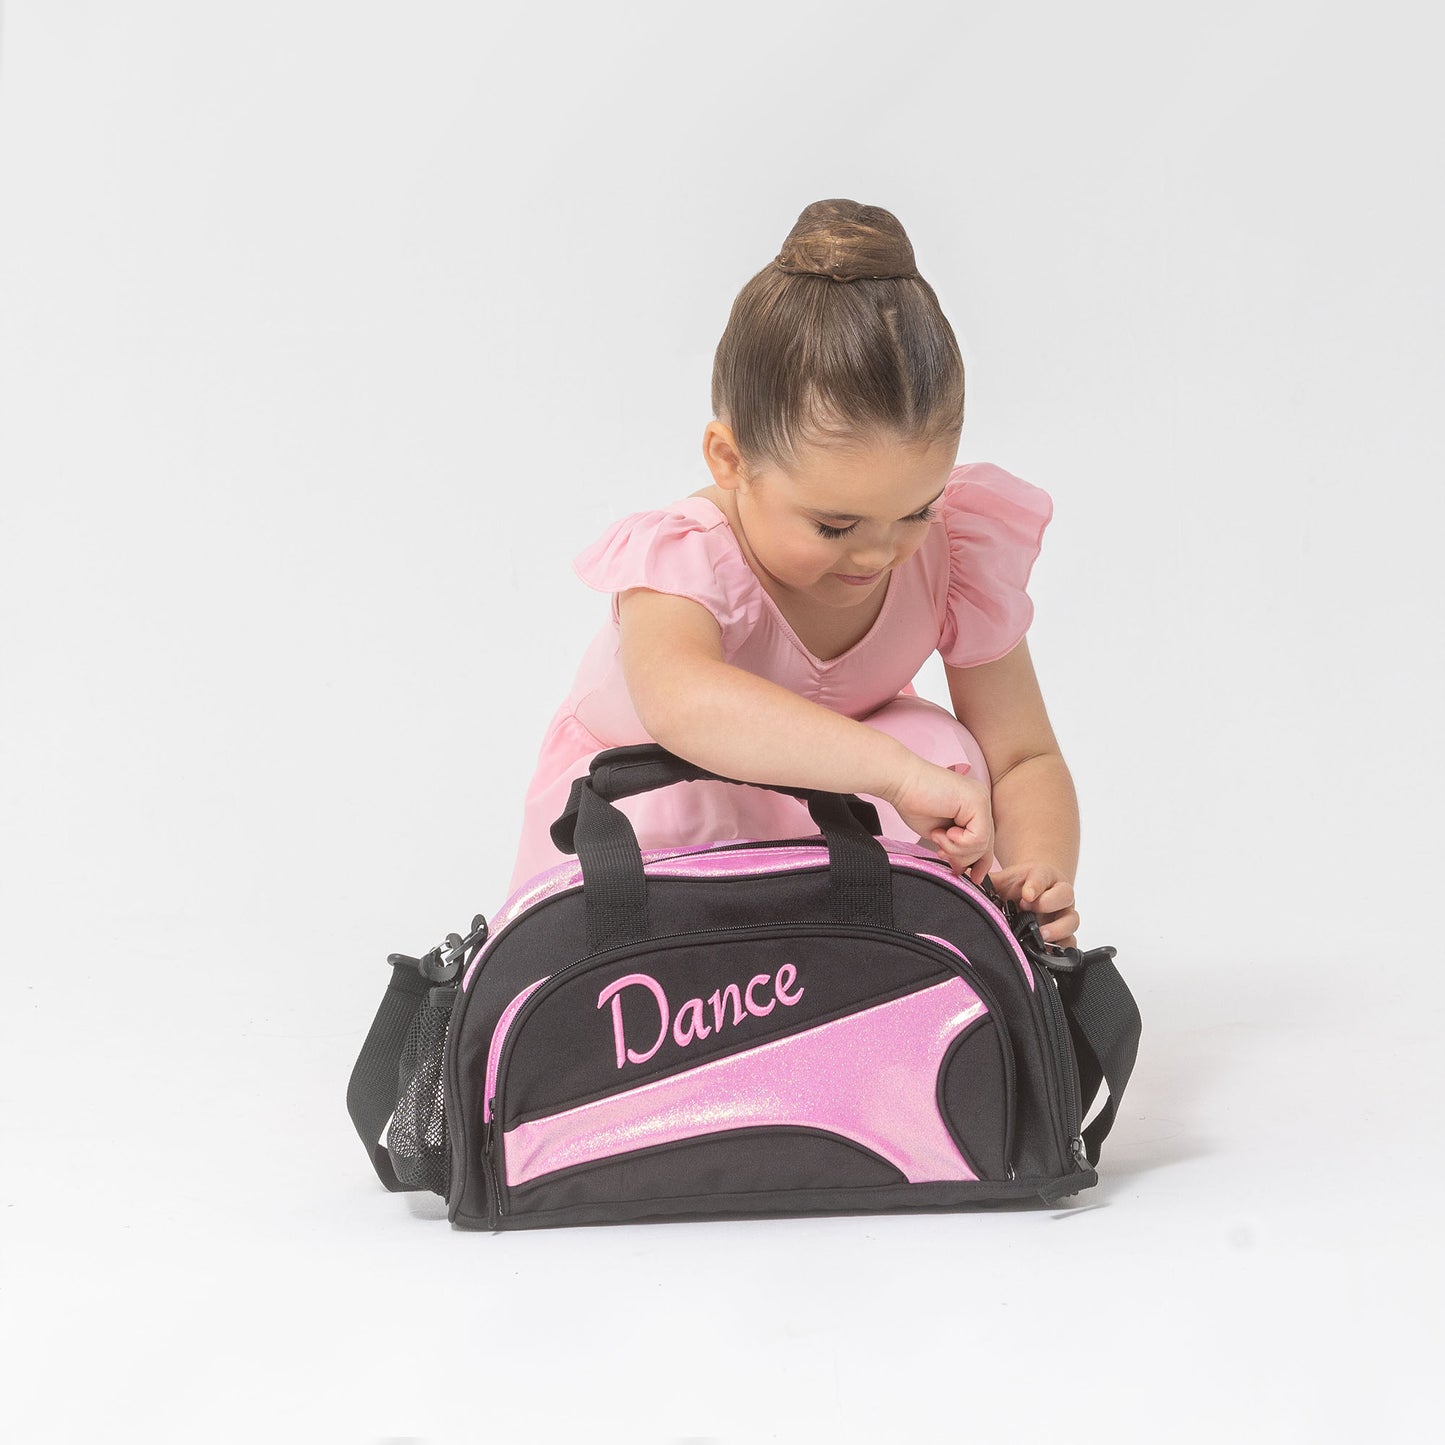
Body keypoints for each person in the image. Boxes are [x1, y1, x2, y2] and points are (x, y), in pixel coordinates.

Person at [505, 198, 1081, 949]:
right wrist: (892, 773)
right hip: (661, 817)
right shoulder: (686, 557)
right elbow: (684, 705)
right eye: (834, 526)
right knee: (690, 799)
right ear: (730, 459)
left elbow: (1021, 753)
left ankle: (869, 966)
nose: (878, 555)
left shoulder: (955, 551)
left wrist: (1035, 875)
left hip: (824, 815)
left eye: (917, 510)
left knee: (945, 752)